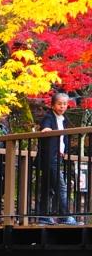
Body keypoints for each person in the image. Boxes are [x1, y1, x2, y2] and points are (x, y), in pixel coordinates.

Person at [36, 92, 77, 224]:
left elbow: (62, 139)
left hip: (56, 157)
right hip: (49, 157)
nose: (62, 106)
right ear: (53, 105)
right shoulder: (49, 117)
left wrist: (63, 151)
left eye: (65, 104)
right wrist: (46, 129)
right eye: (59, 104)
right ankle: (65, 216)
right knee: (61, 186)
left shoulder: (63, 120)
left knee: (47, 187)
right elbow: (46, 127)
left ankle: (43, 216)